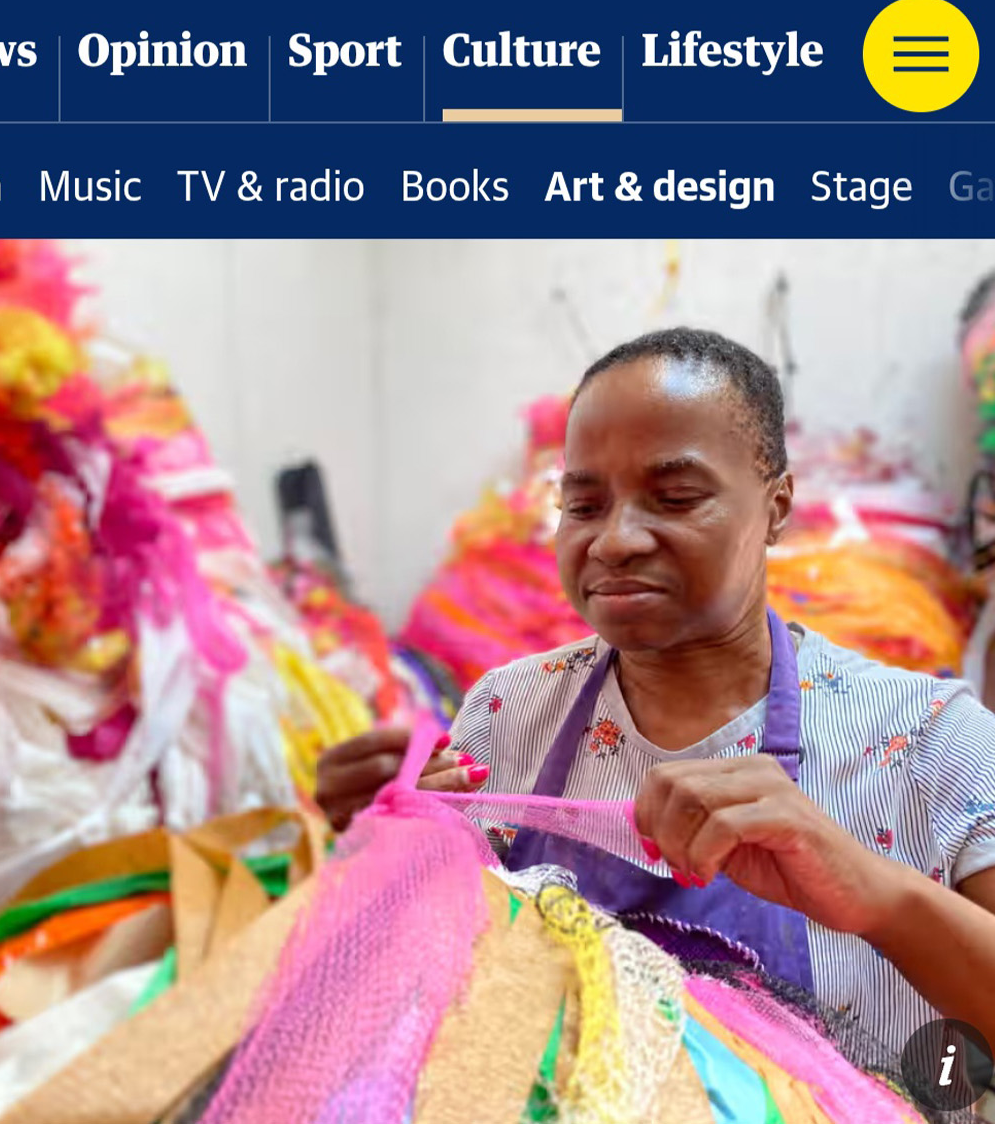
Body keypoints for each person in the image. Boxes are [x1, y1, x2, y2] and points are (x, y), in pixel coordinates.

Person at [317, 329, 995, 1056]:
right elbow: (441, 998)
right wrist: (385, 852)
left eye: (674, 497)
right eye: (582, 506)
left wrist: (879, 895)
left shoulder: (926, 742)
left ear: (776, 506)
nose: (615, 539)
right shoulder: (508, 717)